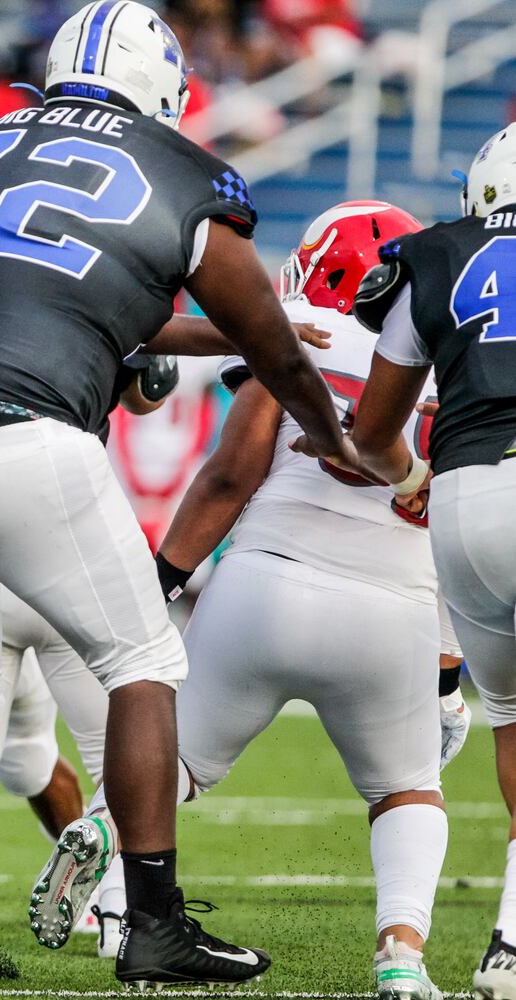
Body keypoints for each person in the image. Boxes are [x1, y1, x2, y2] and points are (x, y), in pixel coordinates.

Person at [0, 2, 354, 991]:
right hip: (17, 430)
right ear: (161, 85)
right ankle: (154, 923)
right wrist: (325, 428)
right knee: (144, 660)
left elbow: (31, 287)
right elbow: (265, 334)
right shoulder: (181, 170)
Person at [156, 200, 450, 1000]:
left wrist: (165, 580)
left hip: (266, 580)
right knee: (406, 790)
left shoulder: (305, 330)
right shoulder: (454, 353)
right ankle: (400, 953)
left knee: (171, 763)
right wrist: (450, 668)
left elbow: (233, 472)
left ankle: (104, 840)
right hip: (393, 601)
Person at [321, 125, 516, 1000]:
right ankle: (508, 943)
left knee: (510, 710)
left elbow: (370, 432)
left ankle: (511, 952)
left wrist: (412, 478)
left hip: (464, 506)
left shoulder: (430, 255)